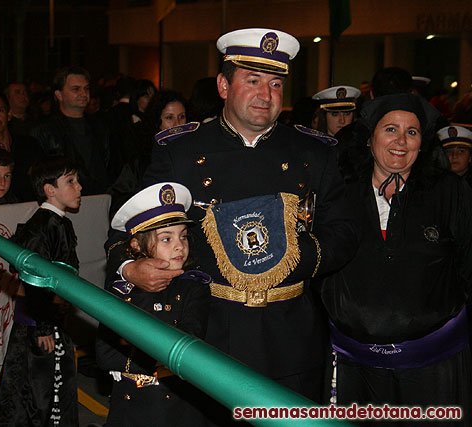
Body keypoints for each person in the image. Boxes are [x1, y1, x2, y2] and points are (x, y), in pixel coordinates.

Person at [106, 28, 358, 416]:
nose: (266, 95)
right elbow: (127, 232)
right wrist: (131, 266)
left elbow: (343, 232)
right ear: (224, 85)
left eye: (276, 84)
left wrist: (287, 257)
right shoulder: (180, 151)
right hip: (208, 333)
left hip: (290, 336)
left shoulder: (313, 152)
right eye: (252, 81)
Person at [319, 94, 472, 422]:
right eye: (391, 129)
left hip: (434, 368)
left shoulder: (450, 193)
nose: (401, 141)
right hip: (354, 368)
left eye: (412, 132)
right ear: (371, 137)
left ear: (423, 141)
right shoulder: (339, 193)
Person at [96, 182, 210, 426]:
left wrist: (142, 354)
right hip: (131, 406)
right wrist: (158, 358)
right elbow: (106, 354)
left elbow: (190, 343)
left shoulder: (194, 287)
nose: (179, 245)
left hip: (181, 407)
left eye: (183, 236)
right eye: (166, 239)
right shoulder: (122, 290)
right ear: (136, 245)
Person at [0, 156, 81, 427]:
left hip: (52, 318)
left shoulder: (59, 222)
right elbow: (33, 277)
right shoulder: (42, 225)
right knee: (37, 393)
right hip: (39, 323)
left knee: (42, 389)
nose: (79, 188)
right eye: (71, 182)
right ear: (50, 189)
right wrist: (42, 328)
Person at [30, 66, 111, 195]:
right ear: (59, 95)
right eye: (76, 89)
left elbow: (108, 163)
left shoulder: (101, 126)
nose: (84, 94)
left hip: (100, 197)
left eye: (86, 89)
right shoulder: (44, 130)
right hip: (62, 199)